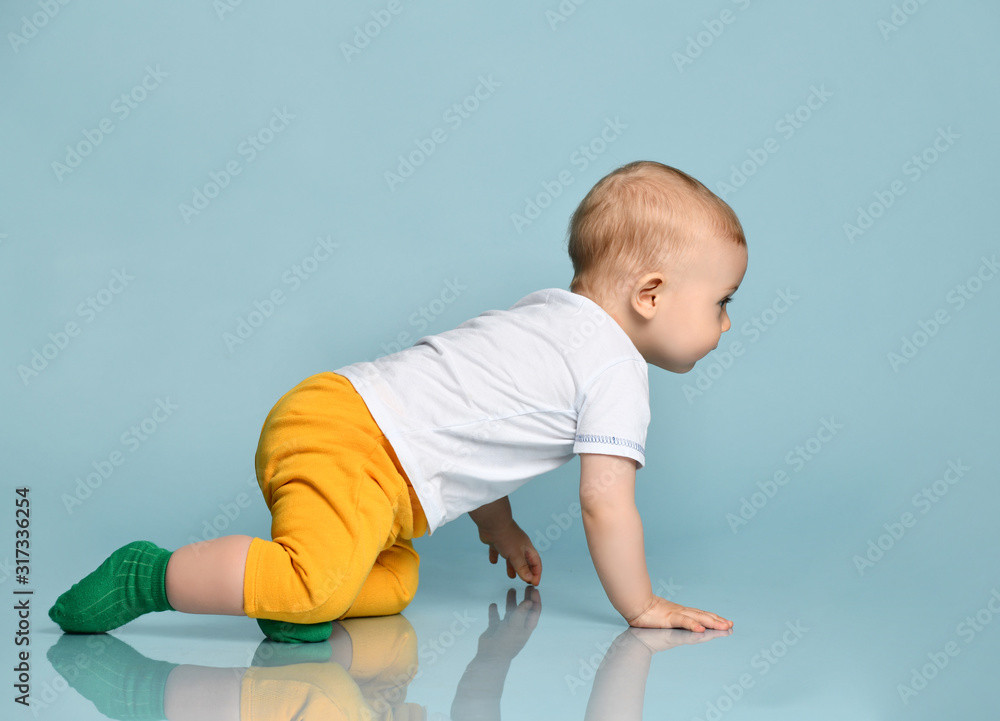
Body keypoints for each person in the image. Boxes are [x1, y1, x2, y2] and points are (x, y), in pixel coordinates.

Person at [48, 160, 746, 643]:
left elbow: (478, 423)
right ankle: (148, 575)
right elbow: (605, 503)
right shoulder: (617, 370)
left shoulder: (550, 316)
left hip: (348, 429)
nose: (725, 323)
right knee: (318, 585)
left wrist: (497, 526)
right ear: (650, 294)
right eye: (721, 302)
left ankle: (285, 604)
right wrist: (641, 604)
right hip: (353, 442)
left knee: (393, 579)